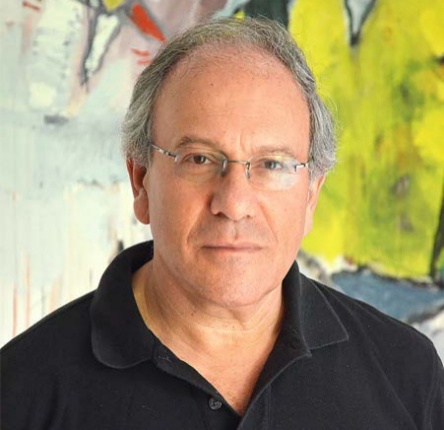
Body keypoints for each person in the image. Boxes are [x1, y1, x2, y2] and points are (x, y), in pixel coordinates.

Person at [1, 17, 443, 430]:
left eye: (272, 163)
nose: (234, 203)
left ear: (311, 193)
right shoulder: (19, 392)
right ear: (141, 181)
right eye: (199, 159)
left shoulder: (408, 376)